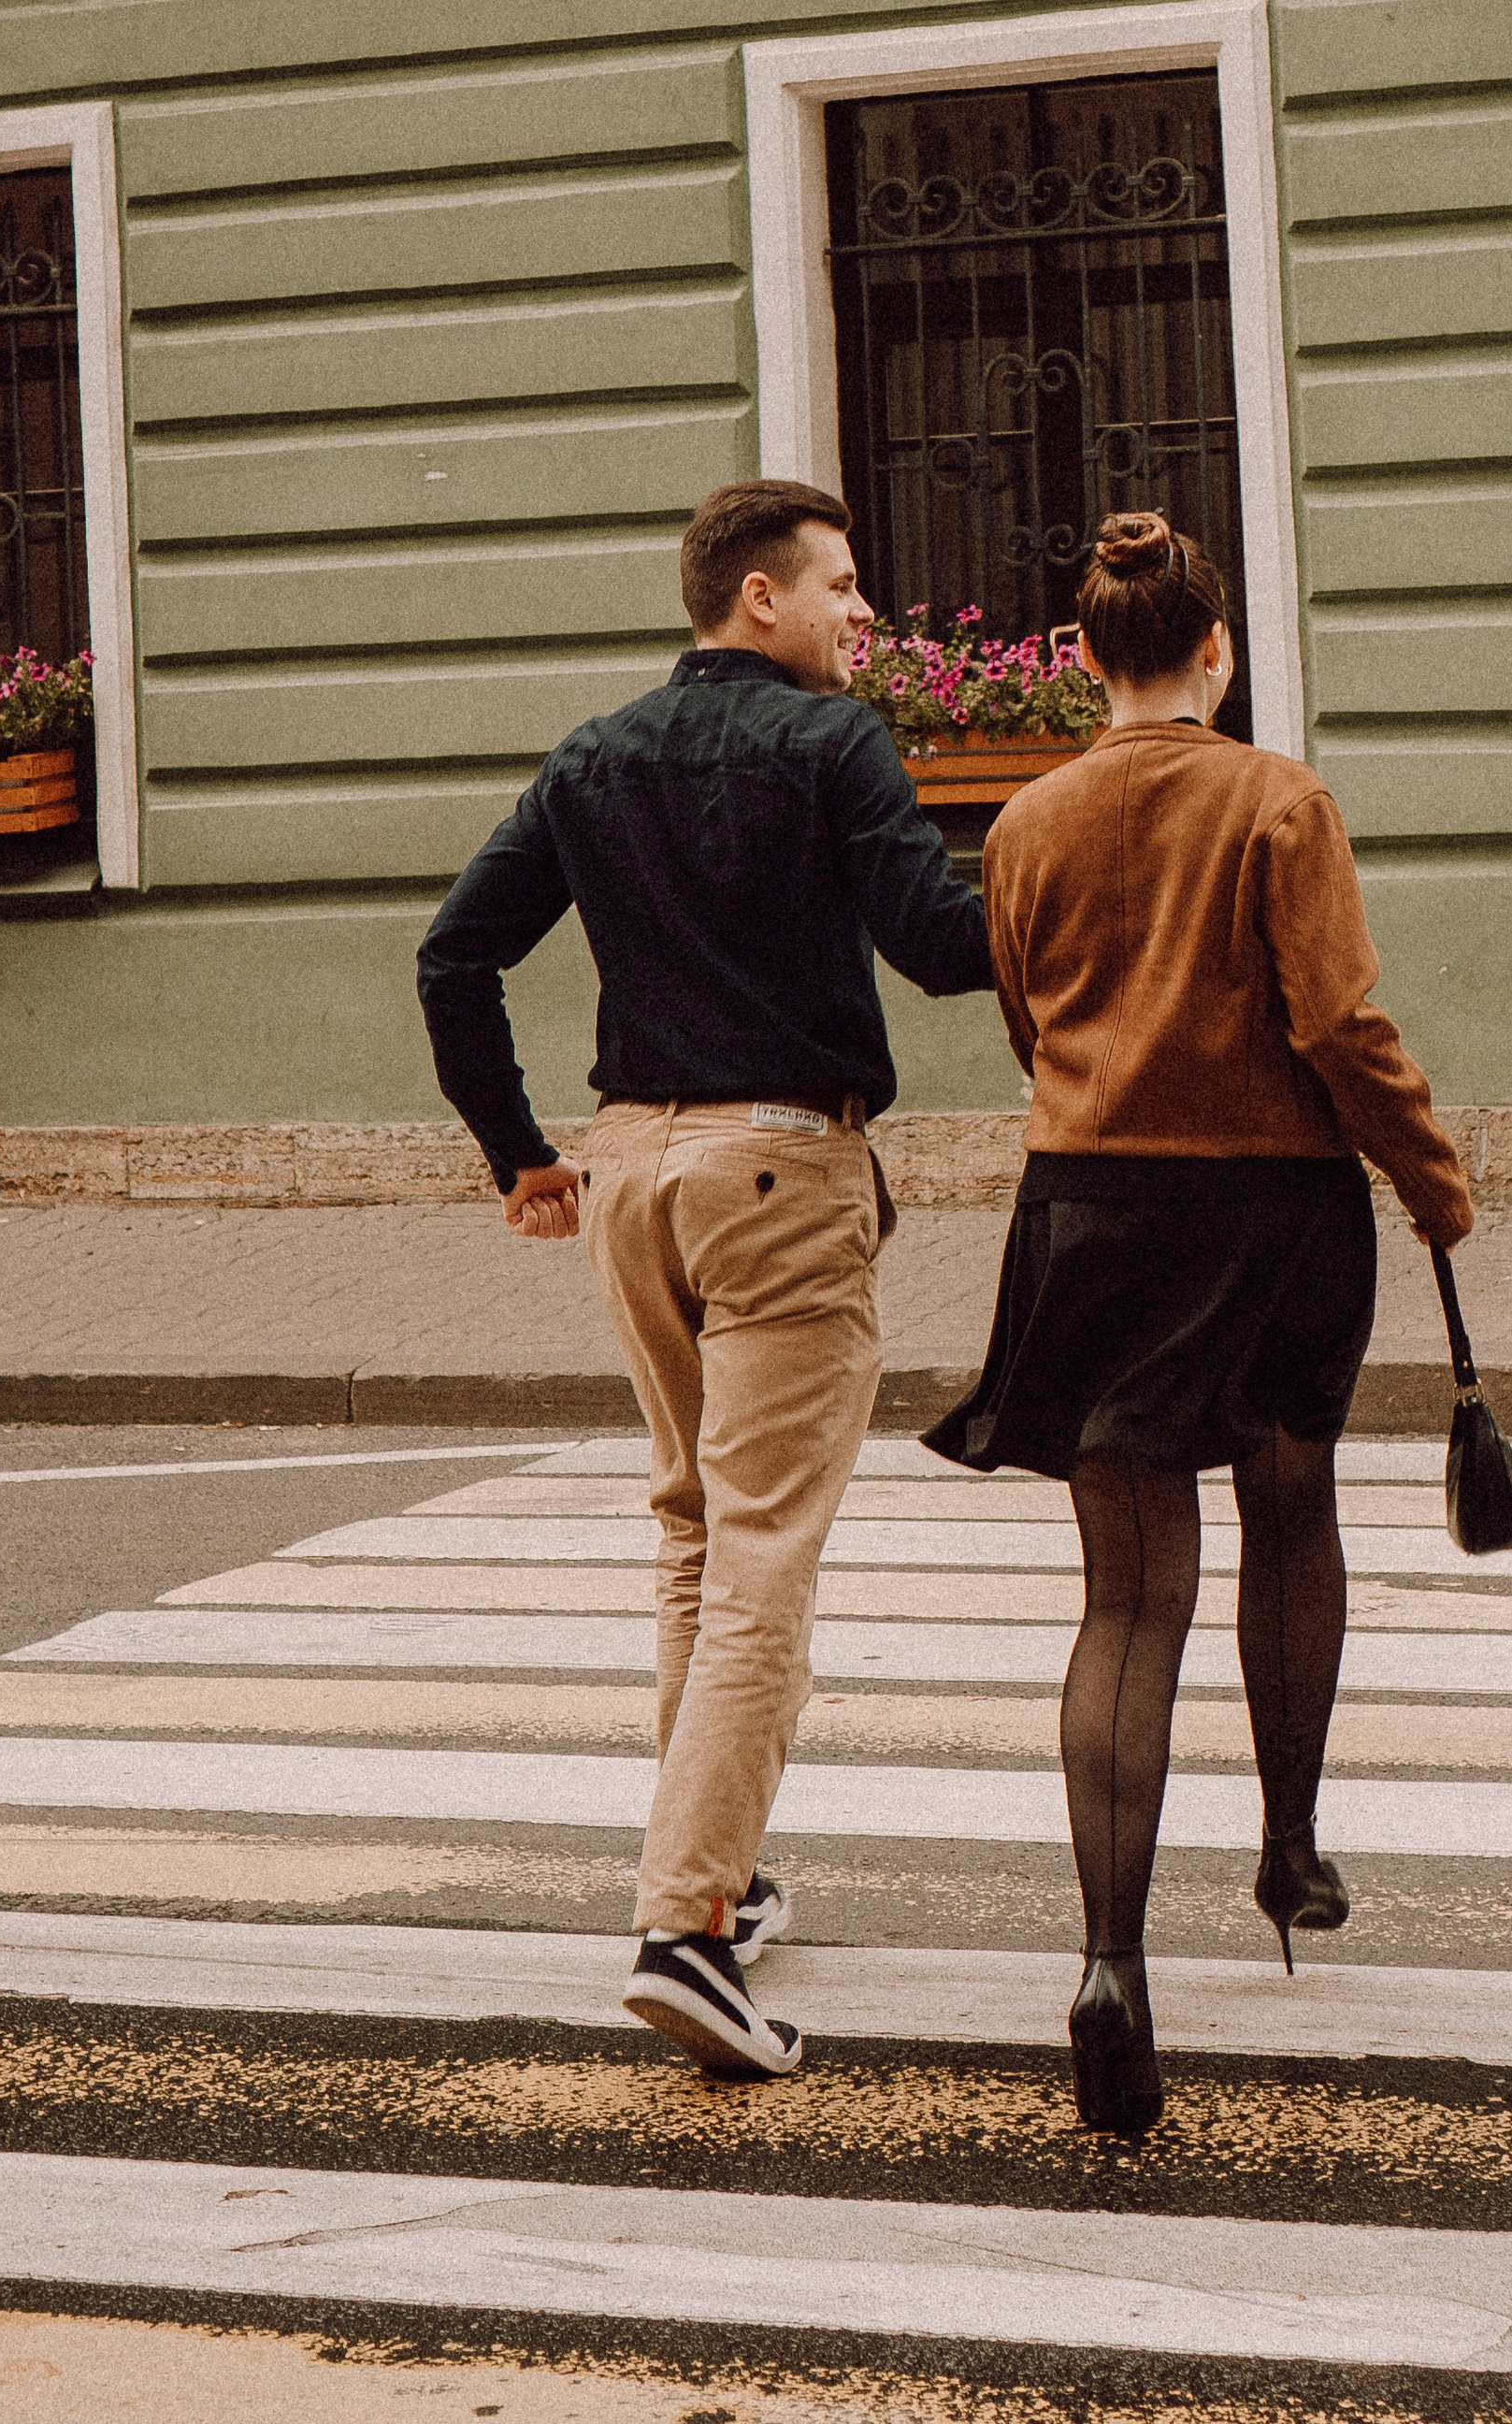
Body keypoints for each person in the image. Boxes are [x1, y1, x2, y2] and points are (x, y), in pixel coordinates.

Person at [417, 478, 997, 2080]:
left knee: (693, 1534)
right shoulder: (834, 744)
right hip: (778, 1174)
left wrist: (519, 1153)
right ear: (761, 596)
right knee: (760, 1562)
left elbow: (454, 955)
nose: (865, 614)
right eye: (844, 585)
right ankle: (682, 1930)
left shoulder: (595, 755)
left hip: (628, 1178)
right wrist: (1077, 865)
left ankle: (719, 1889)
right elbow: (942, 946)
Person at [925, 511, 1474, 2137]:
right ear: (1217, 651)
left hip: (1090, 1215)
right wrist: (1430, 1176)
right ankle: (1289, 1847)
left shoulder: (1024, 822)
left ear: (1082, 659)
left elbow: (1026, 1018)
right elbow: (1341, 1024)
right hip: (1274, 1214)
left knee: (1127, 1596)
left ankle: (1111, 1965)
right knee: (1290, 1505)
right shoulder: (1279, 801)